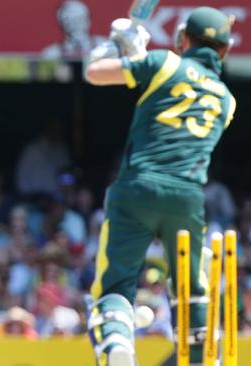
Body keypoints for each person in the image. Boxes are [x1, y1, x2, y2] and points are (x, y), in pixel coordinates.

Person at [84, 7, 236, 366]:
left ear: (182, 39)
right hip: (187, 196)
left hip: (137, 186)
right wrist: (135, 52)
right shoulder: (228, 101)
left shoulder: (165, 62)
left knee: (115, 285)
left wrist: (115, 46)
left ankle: (118, 345)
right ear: (224, 52)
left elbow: (96, 74)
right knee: (190, 284)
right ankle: (200, 353)